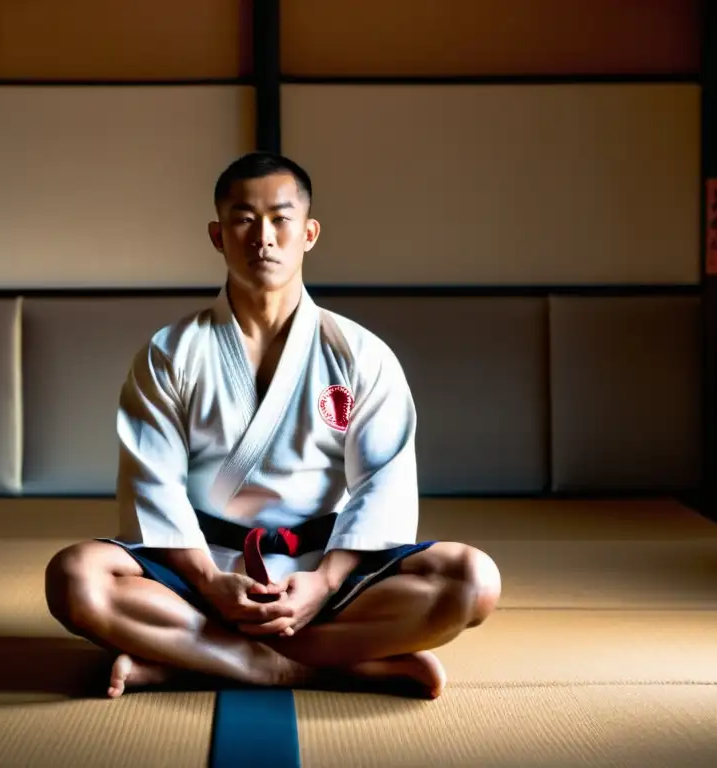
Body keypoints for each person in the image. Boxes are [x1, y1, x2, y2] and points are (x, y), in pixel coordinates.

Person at [45, 152, 502, 699]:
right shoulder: (170, 354)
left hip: (325, 568)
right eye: (244, 219)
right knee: (76, 578)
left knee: (471, 581)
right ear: (218, 235)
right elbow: (152, 487)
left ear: (308, 233)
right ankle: (310, 666)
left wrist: (325, 581)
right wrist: (213, 585)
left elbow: (384, 483)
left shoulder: (358, 354)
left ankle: (199, 659)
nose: (263, 236)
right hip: (201, 568)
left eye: (281, 219)